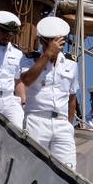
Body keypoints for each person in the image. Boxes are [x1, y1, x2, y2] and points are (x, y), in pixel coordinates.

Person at [20, 14, 79, 169]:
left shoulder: (71, 64)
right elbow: (26, 80)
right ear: (42, 41)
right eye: (51, 43)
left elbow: (72, 97)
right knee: (32, 167)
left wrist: (69, 125)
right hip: (37, 121)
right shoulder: (29, 59)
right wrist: (46, 56)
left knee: (68, 170)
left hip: (62, 123)